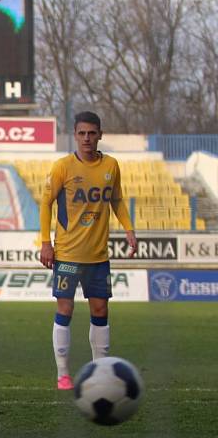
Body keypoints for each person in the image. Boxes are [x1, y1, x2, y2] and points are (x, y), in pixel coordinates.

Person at [39, 111, 138, 390]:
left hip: (97, 256)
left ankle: (100, 372)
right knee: (65, 308)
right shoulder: (63, 167)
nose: (86, 138)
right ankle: (63, 374)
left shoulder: (111, 166)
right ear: (75, 135)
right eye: (81, 133)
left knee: (100, 308)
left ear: (100, 135)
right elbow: (46, 203)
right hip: (68, 255)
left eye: (92, 133)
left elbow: (116, 199)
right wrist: (45, 243)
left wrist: (129, 228)